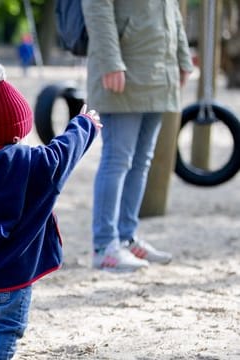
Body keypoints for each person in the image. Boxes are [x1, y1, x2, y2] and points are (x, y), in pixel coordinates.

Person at [0, 63, 101, 359]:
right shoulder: (32, 165)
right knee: (8, 327)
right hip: (11, 276)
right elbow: (64, 151)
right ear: (18, 134)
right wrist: (85, 124)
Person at [81, 0, 194, 272]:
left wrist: (182, 57)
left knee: (142, 161)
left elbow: (172, 11)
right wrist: (110, 61)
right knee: (118, 159)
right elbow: (96, 7)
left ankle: (126, 237)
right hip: (124, 69)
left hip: (159, 72)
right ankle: (104, 246)